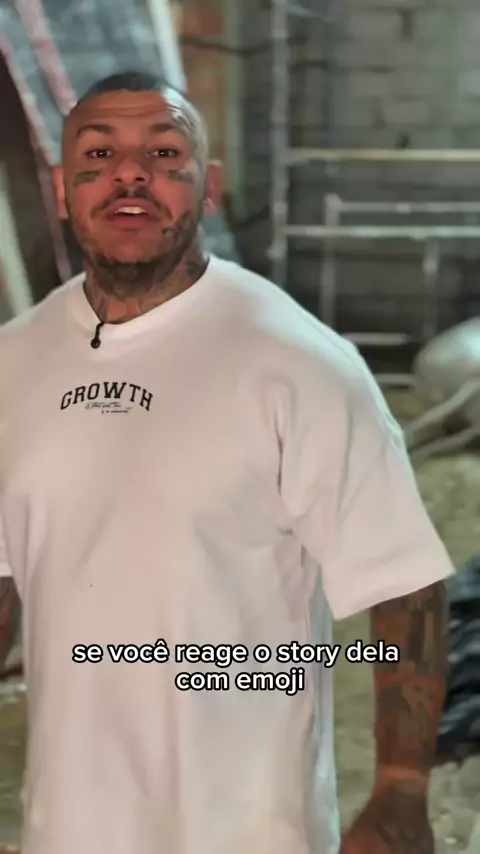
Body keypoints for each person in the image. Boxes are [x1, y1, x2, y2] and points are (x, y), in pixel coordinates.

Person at [0, 71, 453, 854]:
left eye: (162, 153)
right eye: (99, 154)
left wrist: (402, 788)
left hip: (248, 827)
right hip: (68, 825)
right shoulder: (12, 363)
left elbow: (403, 583)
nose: (129, 174)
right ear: (63, 190)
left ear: (207, 188)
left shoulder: (298, 363)